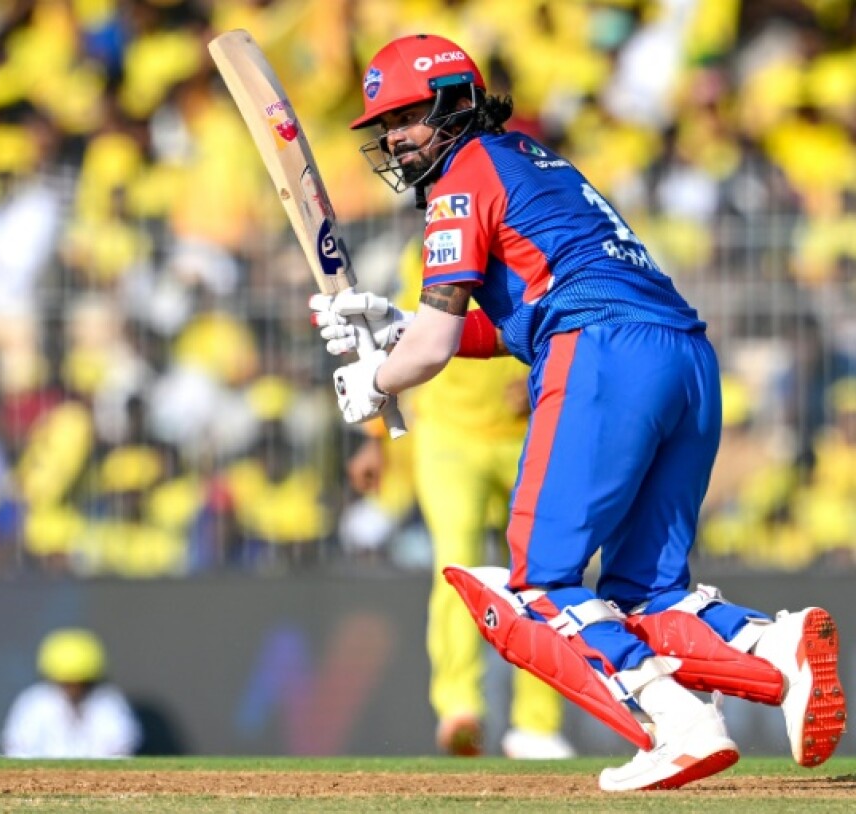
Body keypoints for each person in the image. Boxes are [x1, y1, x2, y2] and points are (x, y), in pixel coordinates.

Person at [313, 34, 846, 791]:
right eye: (385, 126)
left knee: (543, 583)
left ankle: (679, 724)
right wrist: (395, 327)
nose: (395, 139)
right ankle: (773, 645)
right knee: (648, 592)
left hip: (601, 354)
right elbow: (512, 316)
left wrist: (376, 380)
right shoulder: (532, 157)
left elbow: (435, 350)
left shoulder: (461, 177)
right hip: (685, 358)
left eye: (407, 117)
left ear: (456, 102)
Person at [337, 238, 573, 759]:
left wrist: (544, 379)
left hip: (531, 430)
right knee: (456, 566)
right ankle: (459, 708)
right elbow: (399, 338)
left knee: (547, 574)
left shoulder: (538, 237)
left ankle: (535, 724)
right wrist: (377, 437)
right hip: (448, 434)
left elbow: (573, 317)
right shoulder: (430, 245)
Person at [1, 628, 141, 759]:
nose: (74, 688)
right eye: (67, 683)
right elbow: (17, 749)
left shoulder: (108, 702)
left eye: (81, 682)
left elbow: (121, 749)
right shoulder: (34, 702)